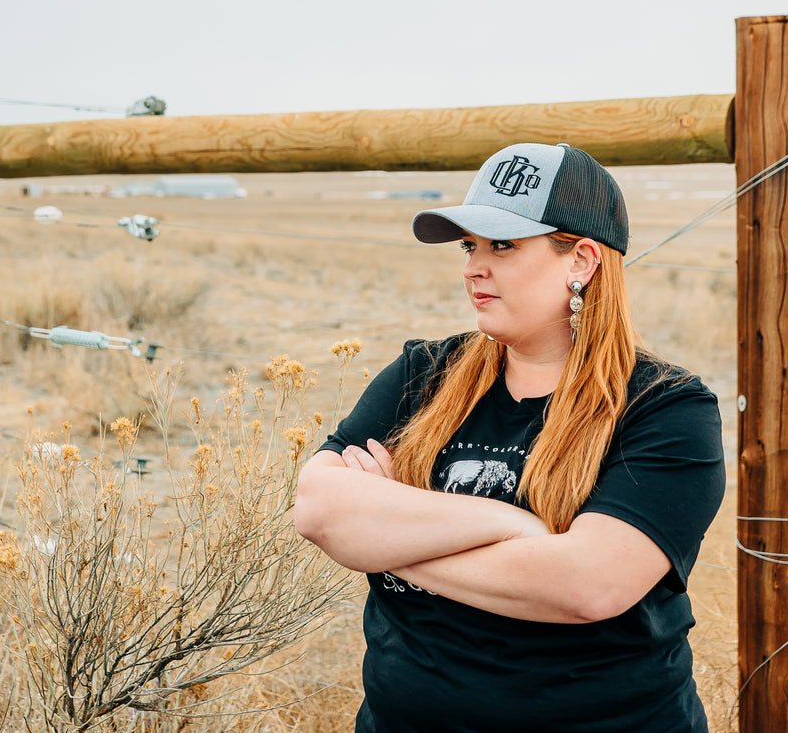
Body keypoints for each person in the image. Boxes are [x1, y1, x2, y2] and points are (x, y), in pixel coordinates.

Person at [293, 142, 726, 733]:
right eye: (470, 245)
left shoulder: (665, 408)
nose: (473, 266)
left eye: (503, 245)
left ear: (582, 261)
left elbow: (587, 586)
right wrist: (517, 529)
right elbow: (317, 507)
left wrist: (384, 534)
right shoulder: (425, 374)